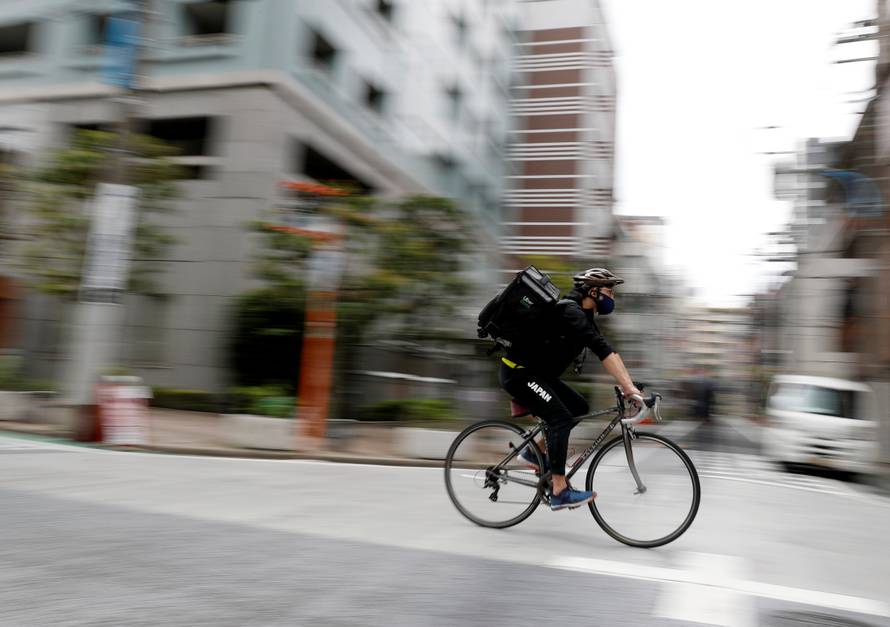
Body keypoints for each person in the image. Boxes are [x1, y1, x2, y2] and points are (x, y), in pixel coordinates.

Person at [499, 267, 642, 511]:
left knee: (579, 406)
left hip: (537, 375)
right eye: (610, 292)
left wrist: (629, 384)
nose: (612, 298)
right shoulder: (570, 310)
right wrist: (628, 388)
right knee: (561, 419)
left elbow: (606, 349)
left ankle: (535, 454)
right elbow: (602, 350)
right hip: (519, 373)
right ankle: (559, 490)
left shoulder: (584, 317)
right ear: (594, 292)